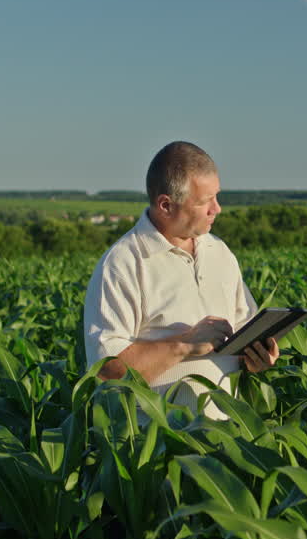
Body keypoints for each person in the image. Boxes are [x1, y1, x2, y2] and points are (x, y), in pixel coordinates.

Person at [83, 141, 278, 419]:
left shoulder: (219, 251)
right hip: (158, 447)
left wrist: (256, 357)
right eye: (204, 202)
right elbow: (107, 370)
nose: (217, 209)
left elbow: (244, 327)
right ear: (166, 205)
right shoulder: (124, 263)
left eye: (217, 196)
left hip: (227, 441)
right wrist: (184, 344)